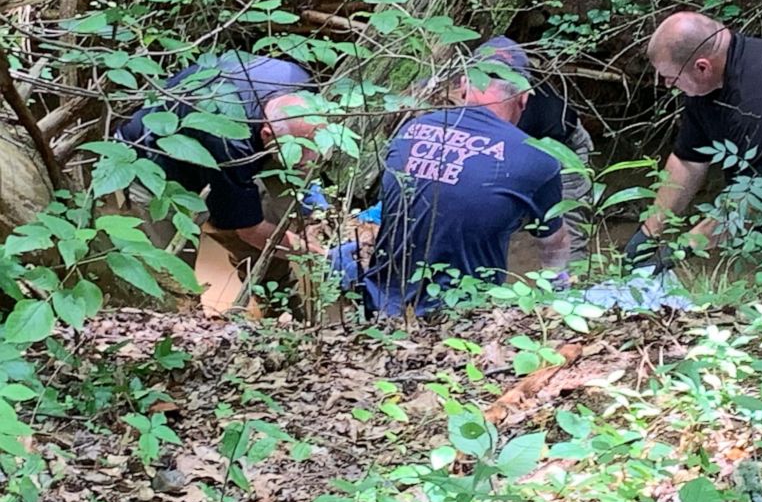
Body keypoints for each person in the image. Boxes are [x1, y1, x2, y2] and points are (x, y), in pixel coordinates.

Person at [625, 12, 762, 272]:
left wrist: (682, 248)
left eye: (670, 77)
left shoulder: (757, 98)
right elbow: (688, 160)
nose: (667, 85)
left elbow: (753, 199)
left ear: (702, 67)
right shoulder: (705, 83)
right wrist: (648, 232)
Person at [362, 43, 570, 317]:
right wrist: (557, 299)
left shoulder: (411, 130)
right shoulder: (537, 155)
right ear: (523, 98)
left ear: (463, 85)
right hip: (464, 318)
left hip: (380, 310)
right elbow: (554, 244)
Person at [115, 51, 328, 278]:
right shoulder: (229, 142)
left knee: (264, 252)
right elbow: (250, 230)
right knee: (172, 274)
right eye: (295, 156)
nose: (301, 163)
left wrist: (312, 213)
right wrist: (313, 253)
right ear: (267, 134)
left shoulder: (300, 83)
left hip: (223, 149)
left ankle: (279, 299)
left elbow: (299, 171)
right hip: (151, 165)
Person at [482, 36, 594, 263]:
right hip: (516, 148)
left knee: (567, 234)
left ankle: (571, 291)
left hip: (562, 148)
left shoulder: (524, 103)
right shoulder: (456, 88)